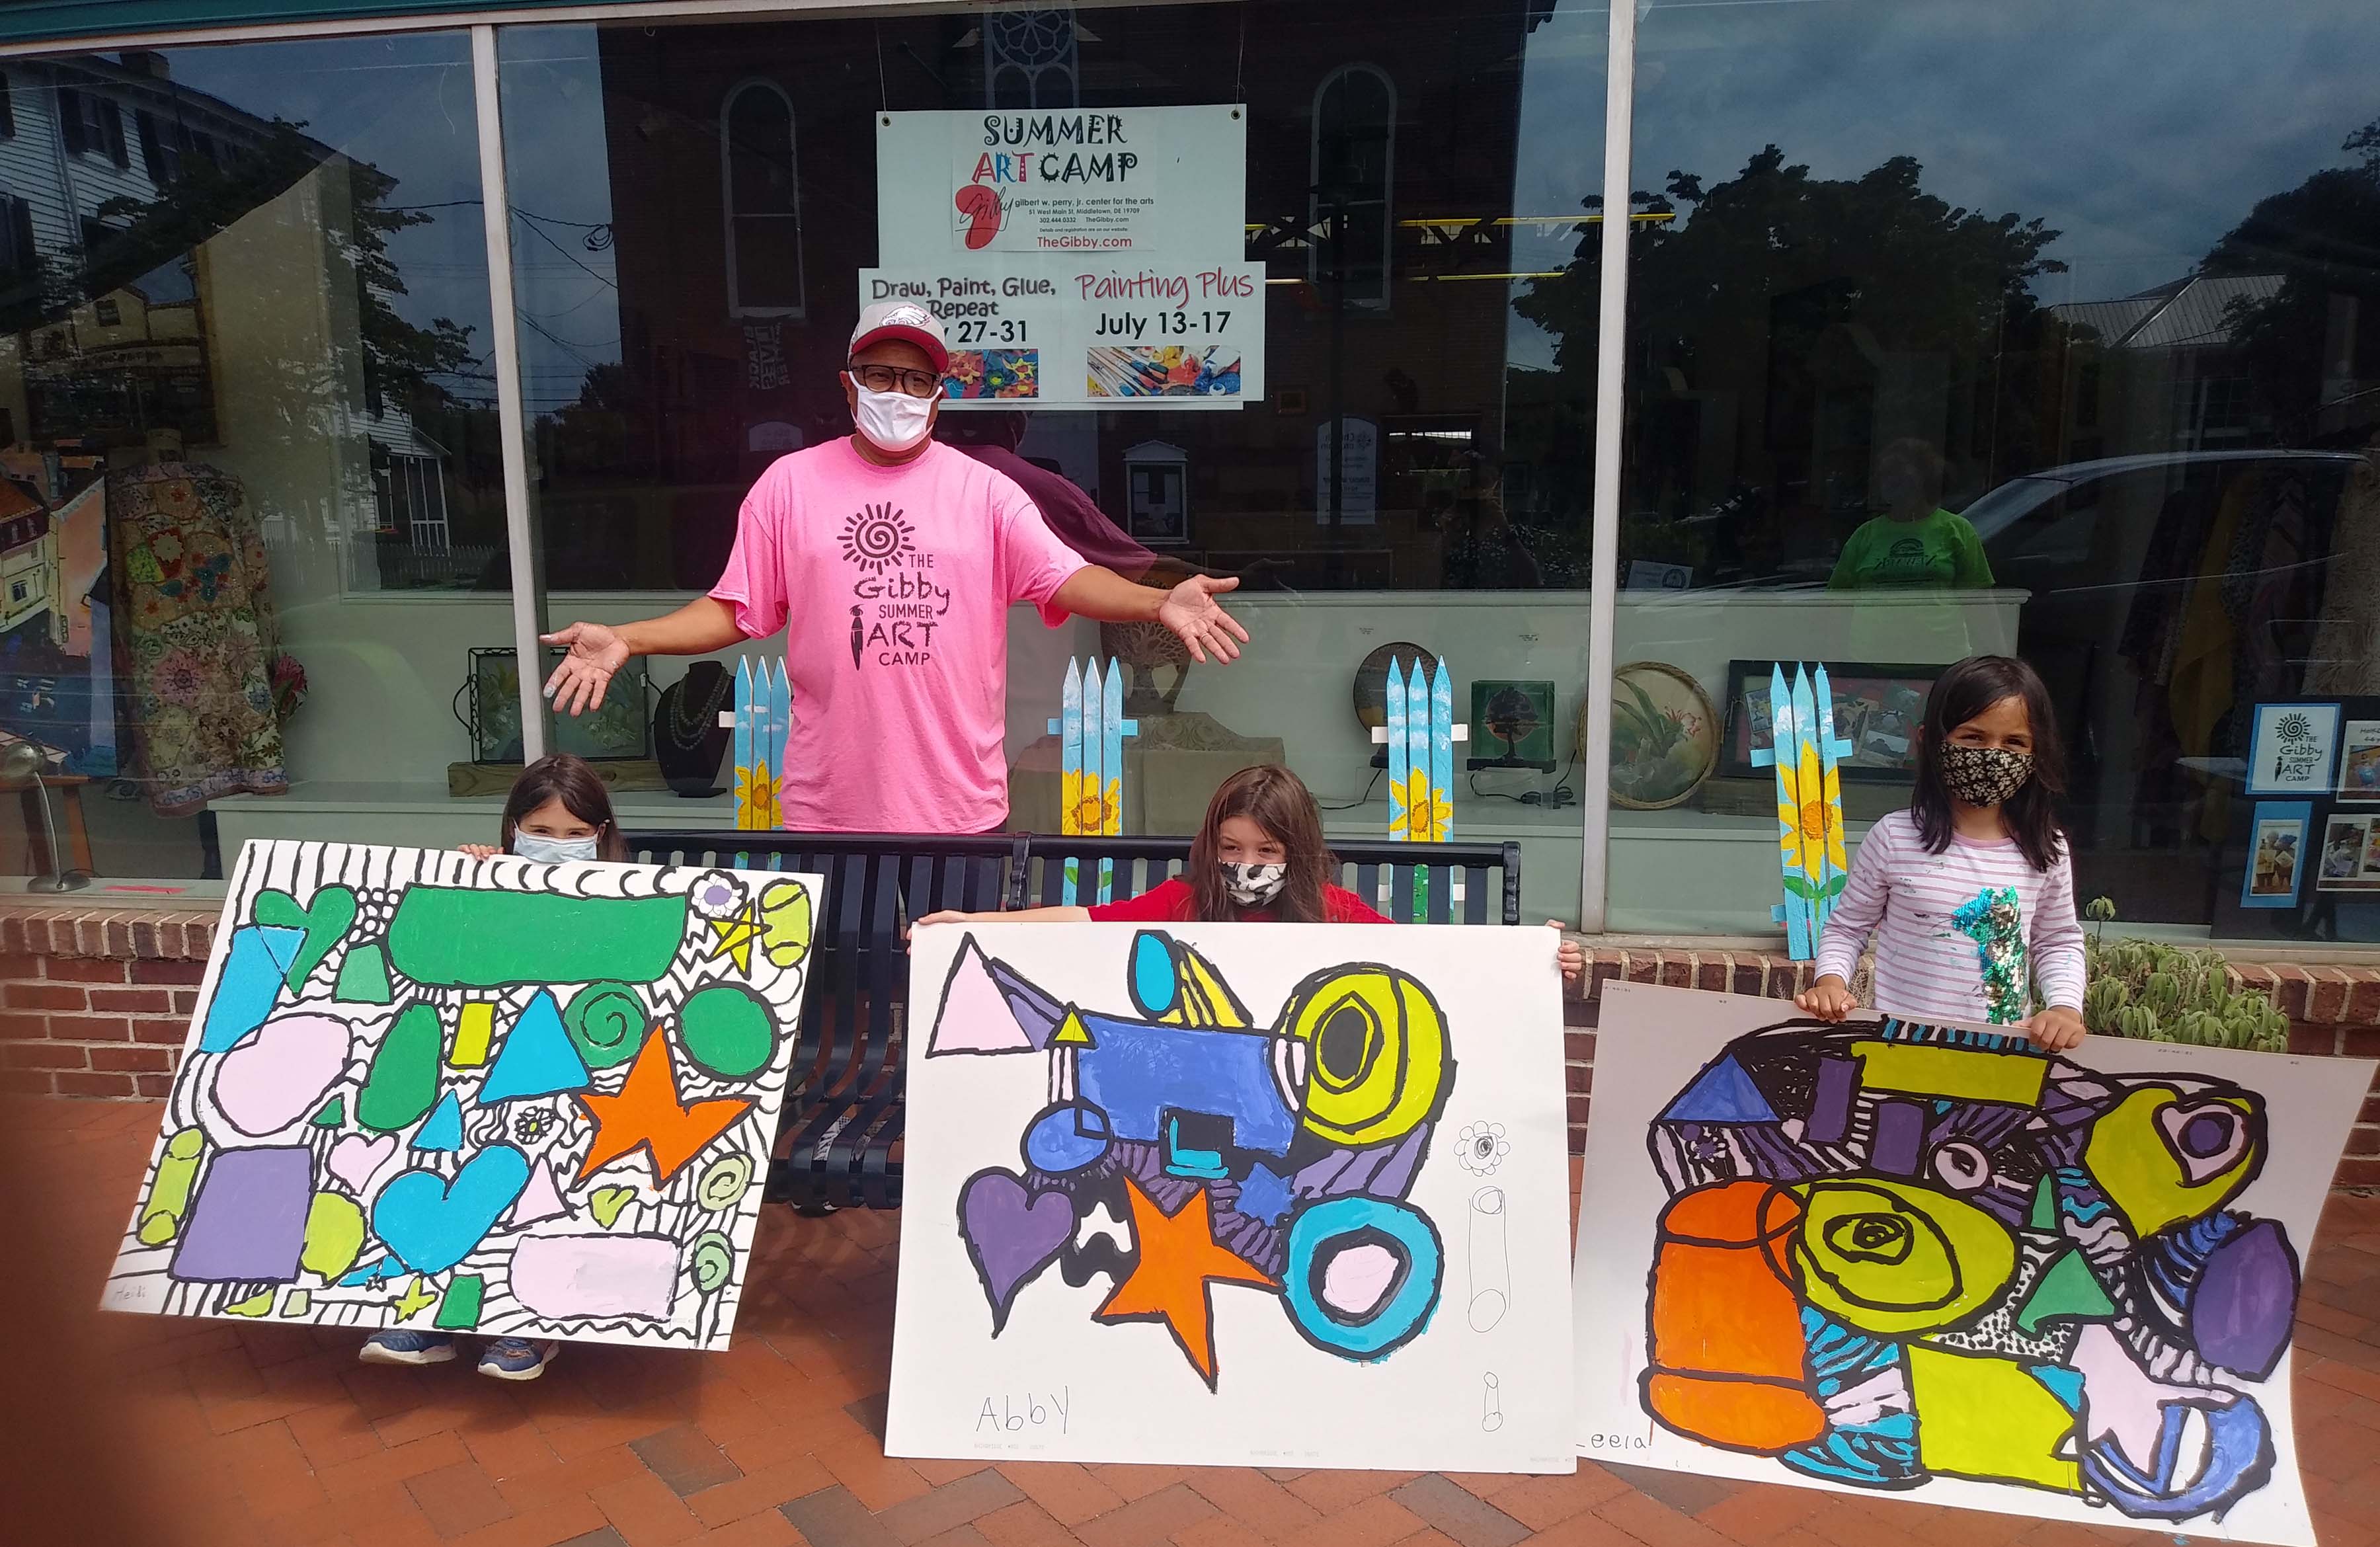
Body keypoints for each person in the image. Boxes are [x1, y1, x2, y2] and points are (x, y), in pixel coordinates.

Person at [539, 303, 1250, 836]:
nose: (897, 391)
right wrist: (631, 638)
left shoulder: (987, 492)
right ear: (848, 387)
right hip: (829, 810)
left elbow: (1064, 578)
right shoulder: (789, 487)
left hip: (961, 808)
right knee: (846, 1007)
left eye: (916, 378)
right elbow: (735, 609)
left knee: (951, 1015)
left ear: (940, 395)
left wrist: (1157, 603)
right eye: (881, 374)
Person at [357, 754, 622, 1379]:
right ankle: (423, 1309)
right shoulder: (486, 879)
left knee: (542, 1186)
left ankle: (526, 1322)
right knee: (440, 1163)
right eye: (542, 831)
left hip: (577, 1083)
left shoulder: (631, 898)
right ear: (513, 829)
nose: (558, 847)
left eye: (577, 835)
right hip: (475, 1070)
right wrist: (469, 885)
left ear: (602, 836)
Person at [919, 764, 1589, 980]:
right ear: (1211, 844)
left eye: (1266, 852)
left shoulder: (1332, 910)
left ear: (1295, 851)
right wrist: (972, 922)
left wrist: (1532, 952)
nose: (1245, 866)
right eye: (1232, 848)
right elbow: (1084, 920)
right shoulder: (1183, 901)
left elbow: (1424, 953)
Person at [1795, 655, 2087, 1049]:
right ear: (1931, 740)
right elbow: (1848, 928)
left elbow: (2057, 941)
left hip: (2004, 1054)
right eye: (1973, 737)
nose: (1993, 755)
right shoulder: (1894, 837)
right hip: (1903, 1048)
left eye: (2014, 742)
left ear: (2037, 752)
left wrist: (2066, 1009)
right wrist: (1830, 983)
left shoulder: (2046, 849)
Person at [1828, 438, 1994, 590]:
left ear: (1927, 478)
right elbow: (1836, 601)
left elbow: (1980, 602)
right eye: (1885, 475)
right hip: (1873, 624)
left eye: (1900, 475)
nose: (1892, 482)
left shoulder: (1958, 530)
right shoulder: (1864, 535)